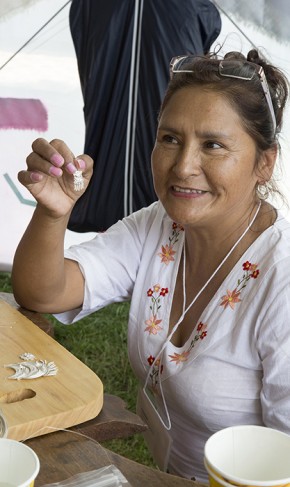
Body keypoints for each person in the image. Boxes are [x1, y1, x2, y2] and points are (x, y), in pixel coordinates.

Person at [11, 48, 290, 482]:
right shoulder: (160, 227)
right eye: (170, 139)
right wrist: (53, 213)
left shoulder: (282, 279)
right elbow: (43, 292)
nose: (183, 166)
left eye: (213, 145)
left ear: (264, 163)